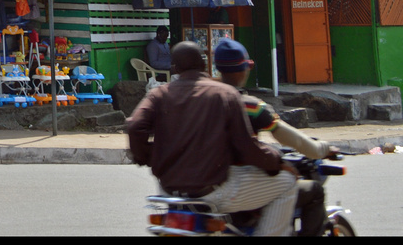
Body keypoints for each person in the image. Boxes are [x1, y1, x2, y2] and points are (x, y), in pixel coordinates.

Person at [126, 42, 298, 237]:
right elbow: (246, 147)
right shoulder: (225, 94)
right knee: (288, 182)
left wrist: (149, 157)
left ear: (175, 68)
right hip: (214, 191)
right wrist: (275, 161)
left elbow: (134, 126)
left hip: (169, 191)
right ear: (204, 64)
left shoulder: (158, 94)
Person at [214, 38, 337, 236]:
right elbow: (295, 140)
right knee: (312, 190)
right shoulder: (250, 106)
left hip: (210, 183)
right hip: (240, 185)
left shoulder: (206, 103)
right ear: (244, 69)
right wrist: (324, 148)